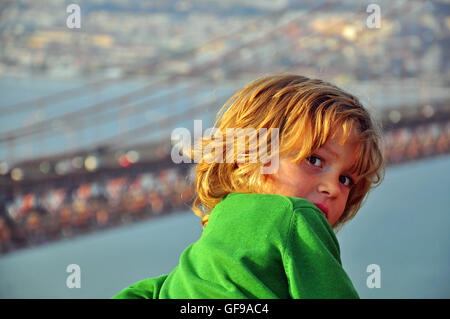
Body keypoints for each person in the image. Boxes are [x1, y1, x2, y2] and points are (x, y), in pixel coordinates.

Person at [113, 74, 385, 299]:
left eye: (346, 179)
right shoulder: (296, 215)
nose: (333, 188)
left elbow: (156, 290)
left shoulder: (223, 216)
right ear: (249, 157)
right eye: (314, 160)